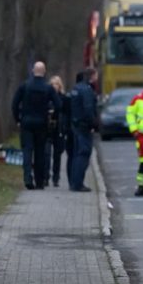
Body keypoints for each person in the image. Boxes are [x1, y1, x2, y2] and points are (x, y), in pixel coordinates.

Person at [11, 61, 61, 190]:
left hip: (26, 122)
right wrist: (53, 117)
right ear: (44, 72)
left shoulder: (25, 86)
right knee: (40, 152)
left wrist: (18, 119)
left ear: (33, 71)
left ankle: (28, 178)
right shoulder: (48, 88)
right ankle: (39, 181)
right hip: (41, 123)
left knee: (27, 150)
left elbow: (14, 104)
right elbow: (59, 105)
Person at [69, 69, 98, 192]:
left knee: (76, 154)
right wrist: (93, 124)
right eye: (96, 75)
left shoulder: (76, 88)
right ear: (92, 76)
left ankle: (74, 182)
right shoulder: (86, 90)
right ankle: (78, 184)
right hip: (84, 127)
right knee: (83, 153)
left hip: (76, 125)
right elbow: (88, 109)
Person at [46, 75, 69, 188]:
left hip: (59, 128)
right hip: (48, 128)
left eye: (56, 84)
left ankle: (56, 177)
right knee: (46, 153)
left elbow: (65, 113)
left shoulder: (63, 98)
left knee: (57, 155)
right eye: (52, 84)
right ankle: (46, 176)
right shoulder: (46, 98)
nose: (54, 86)